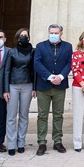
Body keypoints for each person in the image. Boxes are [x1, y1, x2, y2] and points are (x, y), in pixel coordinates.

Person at [34, 24, 73, 156]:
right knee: (42, 115)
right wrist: (50, 77)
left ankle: (57, 141)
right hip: (44, 85)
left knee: (58, 115)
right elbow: (37, 63)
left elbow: (69, 63)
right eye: (51, 32)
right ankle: (42, 142)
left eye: (56, 33)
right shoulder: (40, 46)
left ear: (61, 33)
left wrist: (61, 76)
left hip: (60, 86)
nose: (53, 35)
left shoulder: (68, 46)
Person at [3, 28, 36, 156]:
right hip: (13, 85)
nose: (23, 37)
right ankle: (11, 144)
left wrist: (35, 88)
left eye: (25, 35)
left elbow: (34, 70)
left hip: (28, 84)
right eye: (21, 35)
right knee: (11, 116)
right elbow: (7, 71)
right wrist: (6, 89)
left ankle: (21, 143)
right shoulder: (11, 51)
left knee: (24, 115)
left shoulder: (32, 51)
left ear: (28, 37)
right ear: (17, 37)